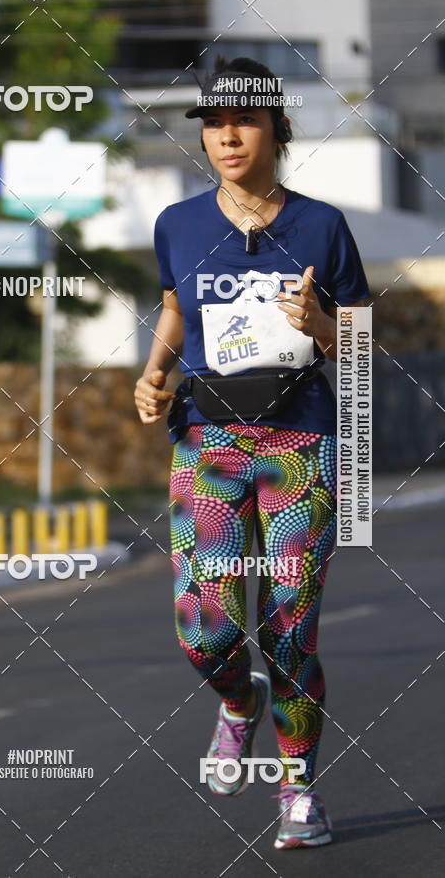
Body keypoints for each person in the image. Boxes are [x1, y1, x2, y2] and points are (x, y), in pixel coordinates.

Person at [134, 55, 371, 850]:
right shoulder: (179, 224)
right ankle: (238, 703)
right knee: (205, 629)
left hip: (300, 443)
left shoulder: (322, 226)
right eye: (213, 124)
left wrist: (324, 326)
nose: (226, 136)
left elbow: (363, 353)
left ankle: (300, 793)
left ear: (276, 128)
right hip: (209, 444)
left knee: (289, 626)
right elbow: (174, 305)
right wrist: (154, 370)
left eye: (243, 121)